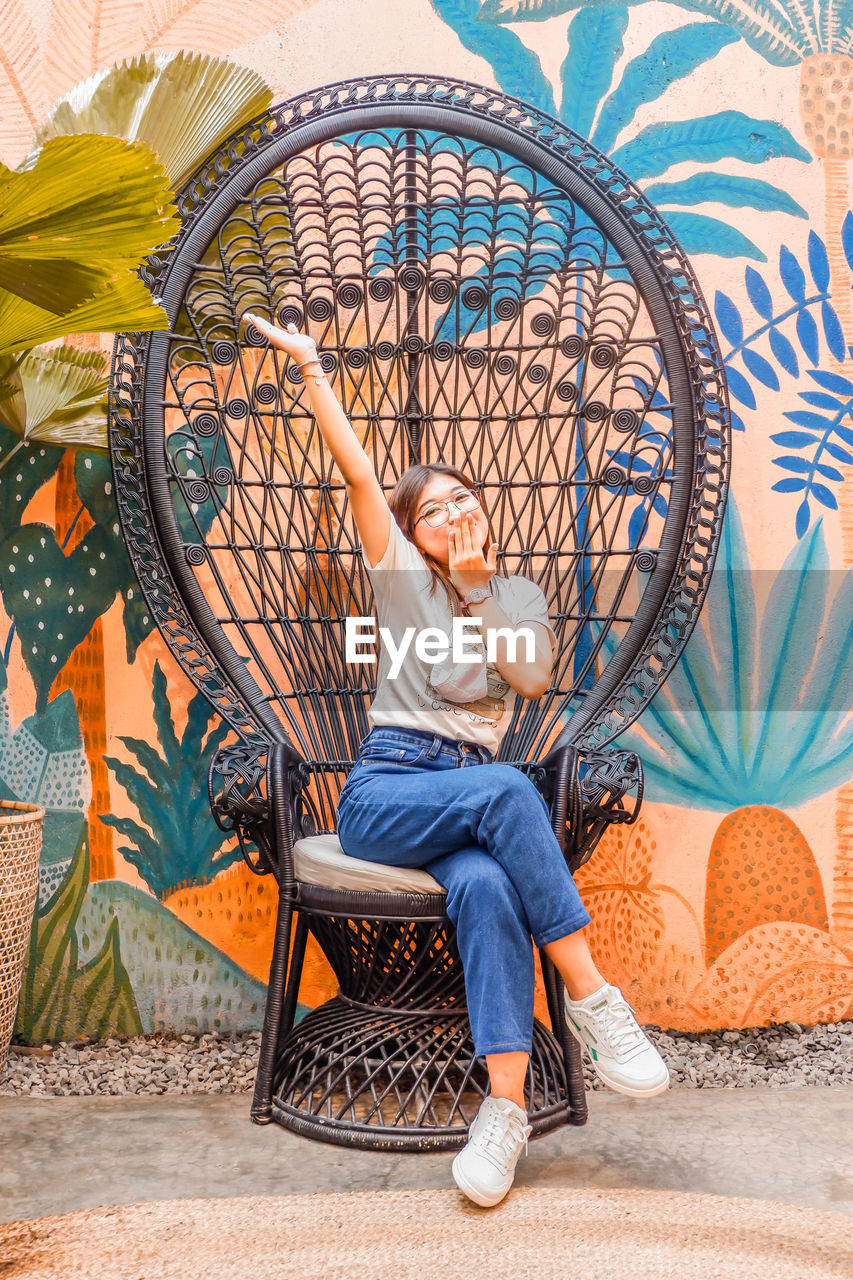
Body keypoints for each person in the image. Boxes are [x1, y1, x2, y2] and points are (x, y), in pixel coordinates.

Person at [242, 311, 670, 1208]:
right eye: (430, 508)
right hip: (388, 791)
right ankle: (591, 995)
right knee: (509, 787)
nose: (451, 511)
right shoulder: (395, 575)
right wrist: (314, 370)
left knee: (482, 884)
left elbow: (528, 675)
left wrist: (479, 590)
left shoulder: (513, 593)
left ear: (483, 511)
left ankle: (502, 1112)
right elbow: (357, 470)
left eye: (461, 497)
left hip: (470, 800)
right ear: (410, 530)